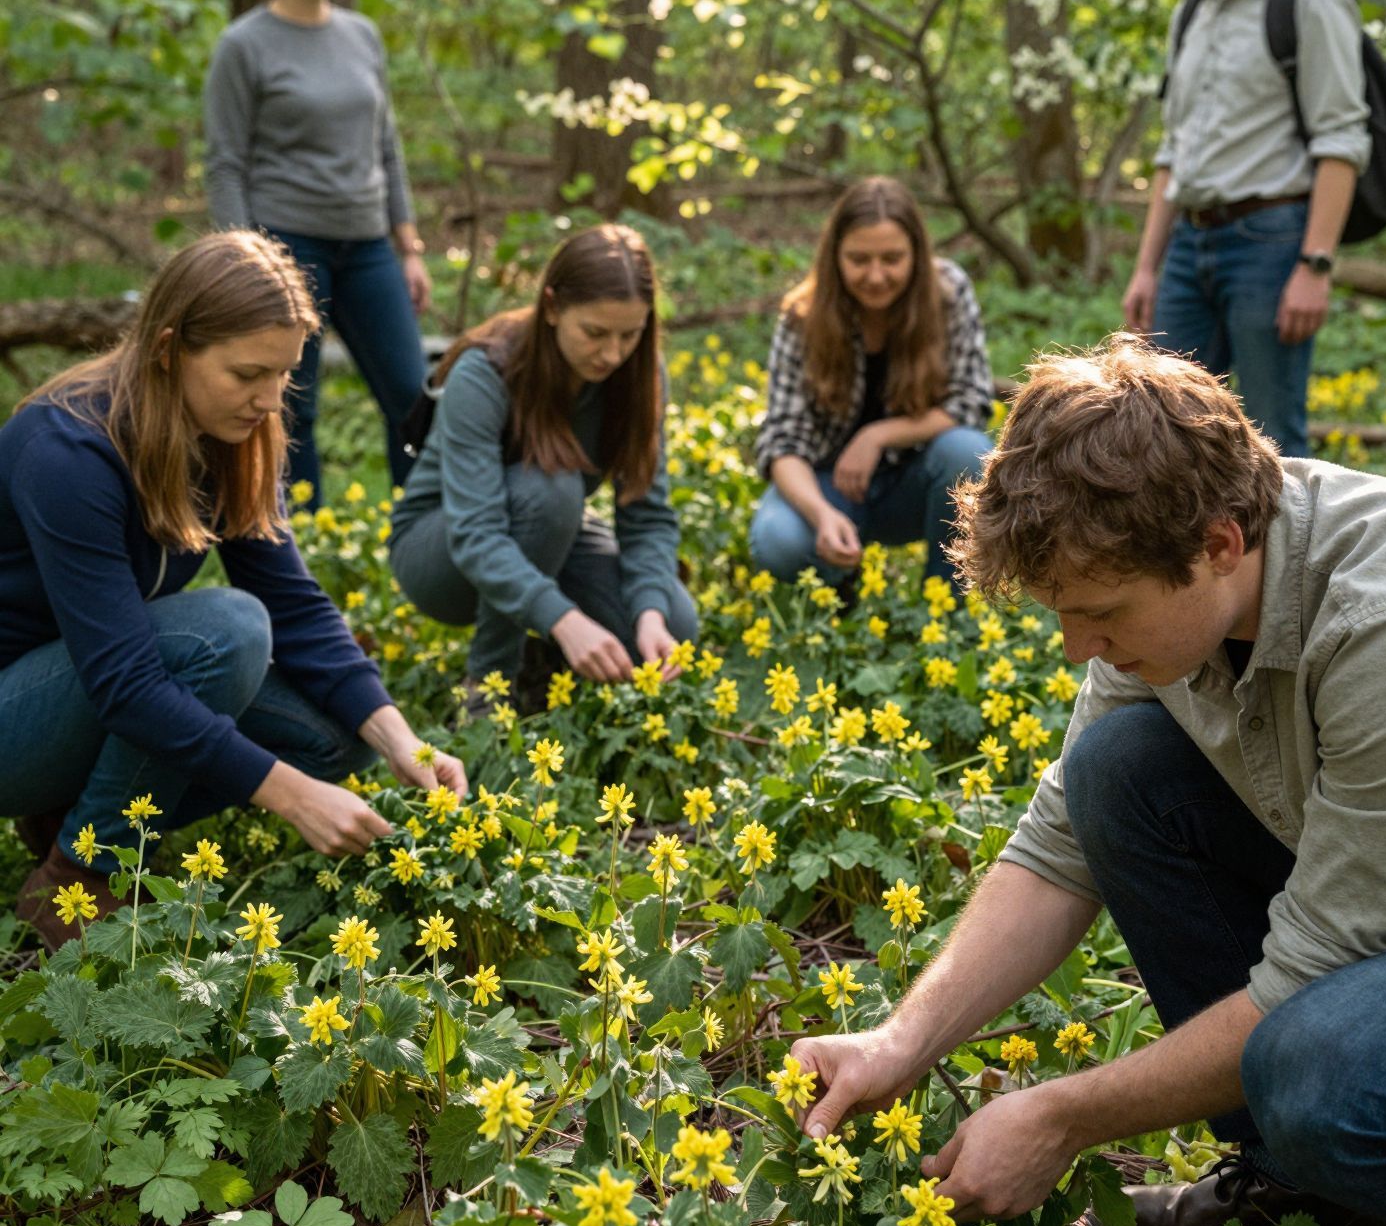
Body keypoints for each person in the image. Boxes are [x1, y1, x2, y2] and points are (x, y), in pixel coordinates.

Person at [796, 337, 1386, 1226]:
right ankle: (1316, 1201)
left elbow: (1316, 970)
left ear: (1219, 540)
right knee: (1118, 772)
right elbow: (1062, 842)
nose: (1075, 646)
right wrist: (901, 1039)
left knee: (1323, 1069)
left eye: (1098, 611)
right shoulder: (1179, 608)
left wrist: (1060, 1117)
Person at [0, 231, 466, 948]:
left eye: (283, 374)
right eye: (248, 373)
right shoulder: (66, 448)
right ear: (168, 349)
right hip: (14, 714)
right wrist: (289, 797)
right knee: (224, 634)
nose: (270, 399)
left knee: (335, 734)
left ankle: (76, 812)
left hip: (85, 690)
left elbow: (296, 605)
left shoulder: (232, 433)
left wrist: (400, 737)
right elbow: (126, 684)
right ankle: (76, 876)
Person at [1122, 0, 1371, 456]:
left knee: (1271, 443)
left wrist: (1315, 265)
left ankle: (1291, 558)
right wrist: (1148, 266)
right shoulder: (1193, 11)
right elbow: (1172, 149)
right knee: (1160, 431)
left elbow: (1342, 140)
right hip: (1187, 246)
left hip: (1271, 243)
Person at [390, 223, 697, 697]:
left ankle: (546, 660)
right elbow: (477, 533)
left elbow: (647, 515)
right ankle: (490, 685)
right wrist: (565, 619)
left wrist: (650, 613)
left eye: (630, 334)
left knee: (675, 626)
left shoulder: (640, 376)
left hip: (550, 528)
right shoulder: (485, 371)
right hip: (443, 549)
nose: (612, 353)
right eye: (594, 332)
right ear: (552, 307)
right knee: (552, 490)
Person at [203, 0, 429, 498]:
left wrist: (408, 245)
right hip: (287, 245)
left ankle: (422, 536)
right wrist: (246, 260)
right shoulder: (244, 45)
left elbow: (387, 145)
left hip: (369, 245)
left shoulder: (363, 36)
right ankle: (299, 544)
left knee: (412, 393)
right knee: (290, 408)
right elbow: (225, 163)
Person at [750, 178, 994, 586]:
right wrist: (822, 514)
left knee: (968, 451)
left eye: (892, 258)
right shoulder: (802, 316)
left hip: (916, 482)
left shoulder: (948, 293)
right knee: (779, 541)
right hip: (829, 488)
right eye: (859, 260)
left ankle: (948, 604)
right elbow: (782, 442)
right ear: (835, 257)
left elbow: (970, 402)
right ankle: (840, 586)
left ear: (917, 253)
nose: (876, 276)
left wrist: (878, 435)